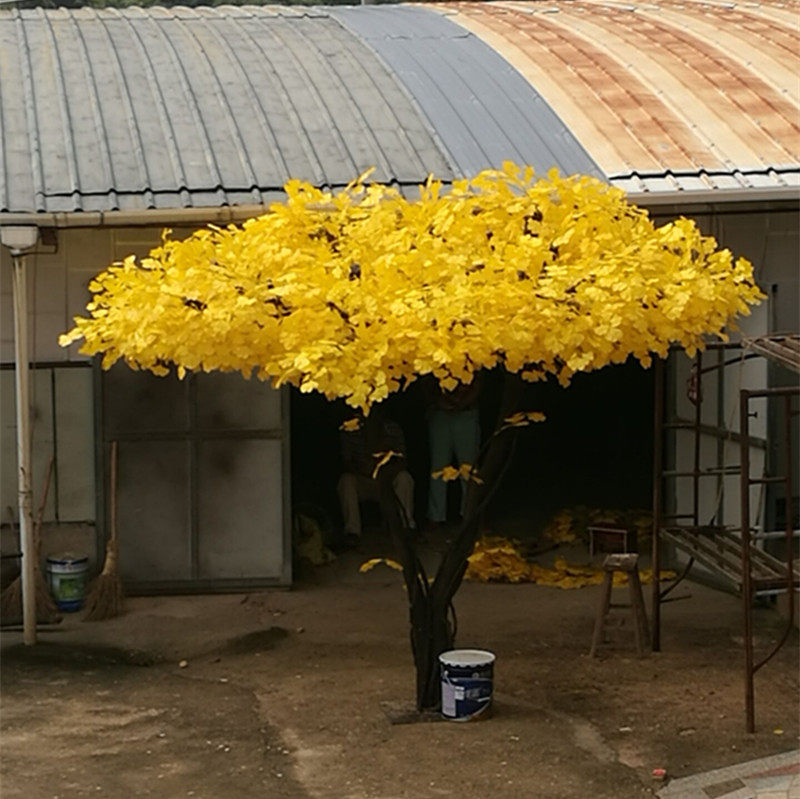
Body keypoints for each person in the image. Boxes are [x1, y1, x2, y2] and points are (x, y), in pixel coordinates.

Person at [337, 408, 415, 547]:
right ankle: (352, 532)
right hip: (363, 479)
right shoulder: (349, 429)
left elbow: (403, 460)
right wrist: (363, 470)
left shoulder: (392, 428)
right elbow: (346, 461)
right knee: (346, 481)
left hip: (389, 478)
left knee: (405, 478)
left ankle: (405, 527)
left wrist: (388, 470)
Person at [426, 376, 481, 526]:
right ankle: (435, 516)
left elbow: (478, 383)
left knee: (469, 466)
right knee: (438, 467)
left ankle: (469, 514)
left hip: (466, 413)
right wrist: (441, 402)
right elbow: (427, 383)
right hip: (440, 413)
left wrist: (462, 403)